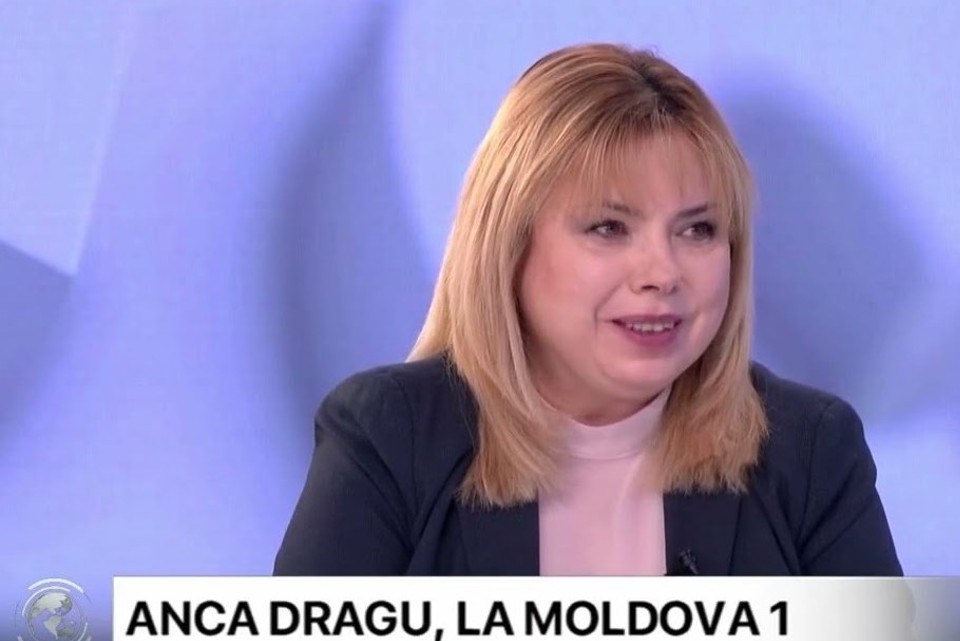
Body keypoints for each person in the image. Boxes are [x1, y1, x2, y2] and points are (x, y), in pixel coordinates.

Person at [272, 43, 903, 577]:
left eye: (698, 230)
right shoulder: (390, 438)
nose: (662, 273)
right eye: (608, 227)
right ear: (510, 246)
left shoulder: (810, 451)